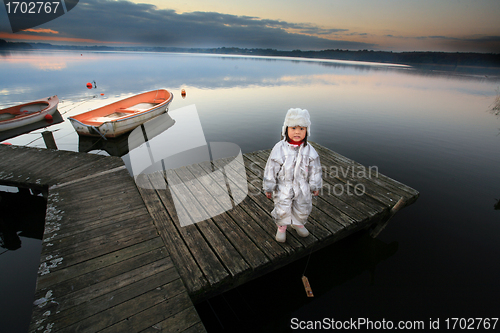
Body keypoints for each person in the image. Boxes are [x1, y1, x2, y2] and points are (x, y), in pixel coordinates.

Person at [263, 108, 322, 243]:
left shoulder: (310, 150)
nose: (297, 132)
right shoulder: (279, 148)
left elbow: (315, 170)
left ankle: (298, 224)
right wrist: (269, 187)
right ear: (286, 129)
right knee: (282, 207)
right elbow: (271, 169)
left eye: (302, 128)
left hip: (302, 185)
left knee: (303, 206)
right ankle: (282, 228)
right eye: (293, 127)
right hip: (283, 185)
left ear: (307, 131)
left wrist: (315, 185)